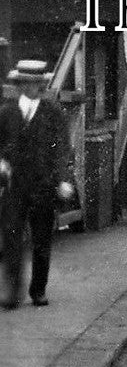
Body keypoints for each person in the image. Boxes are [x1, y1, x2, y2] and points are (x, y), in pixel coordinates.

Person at [0, 60, 73, 309]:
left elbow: (63, 148)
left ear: (42, 85)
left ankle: (38, 290)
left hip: (44, 187)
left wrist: (62, 179)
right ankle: (13, 292)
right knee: (11, 238)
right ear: (19, 85)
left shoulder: (52, 113)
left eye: (36, 83)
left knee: (42, 240)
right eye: (26, 83)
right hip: (15, 186)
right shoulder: (7, 112)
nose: (32, 87)